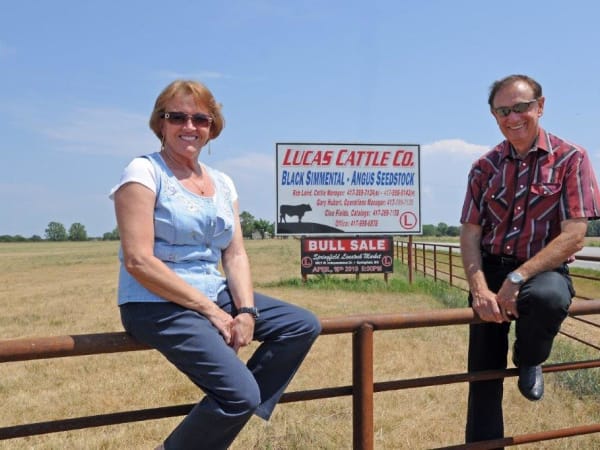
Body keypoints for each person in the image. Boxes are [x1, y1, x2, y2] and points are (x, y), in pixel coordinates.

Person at [109, 79, 321, 450]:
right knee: (240, 394)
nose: (189, 126)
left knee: (300, 325)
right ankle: (237, 399)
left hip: (212, 291)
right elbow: (139, 261)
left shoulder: (222, 183)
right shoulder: (144, 172)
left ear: (212, 127)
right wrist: (214, 313)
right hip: (154, 302)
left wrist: (247, 312)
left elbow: (235, 254)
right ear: (161, 123)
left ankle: (236, 402)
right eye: (177, 117)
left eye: (200, 119)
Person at [459, 74, 600, 444]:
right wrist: (479, 289)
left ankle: (529, 357)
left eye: (521, 107)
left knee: (548, 299)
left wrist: (517, 278)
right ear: (494, 115)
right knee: (483, 374)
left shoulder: (571, 158)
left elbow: (574, 235)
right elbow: (470, 232)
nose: (513, 117)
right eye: (503, 111)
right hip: (490, 269)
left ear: (540, 106)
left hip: (543, 269)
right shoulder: (484, 166)